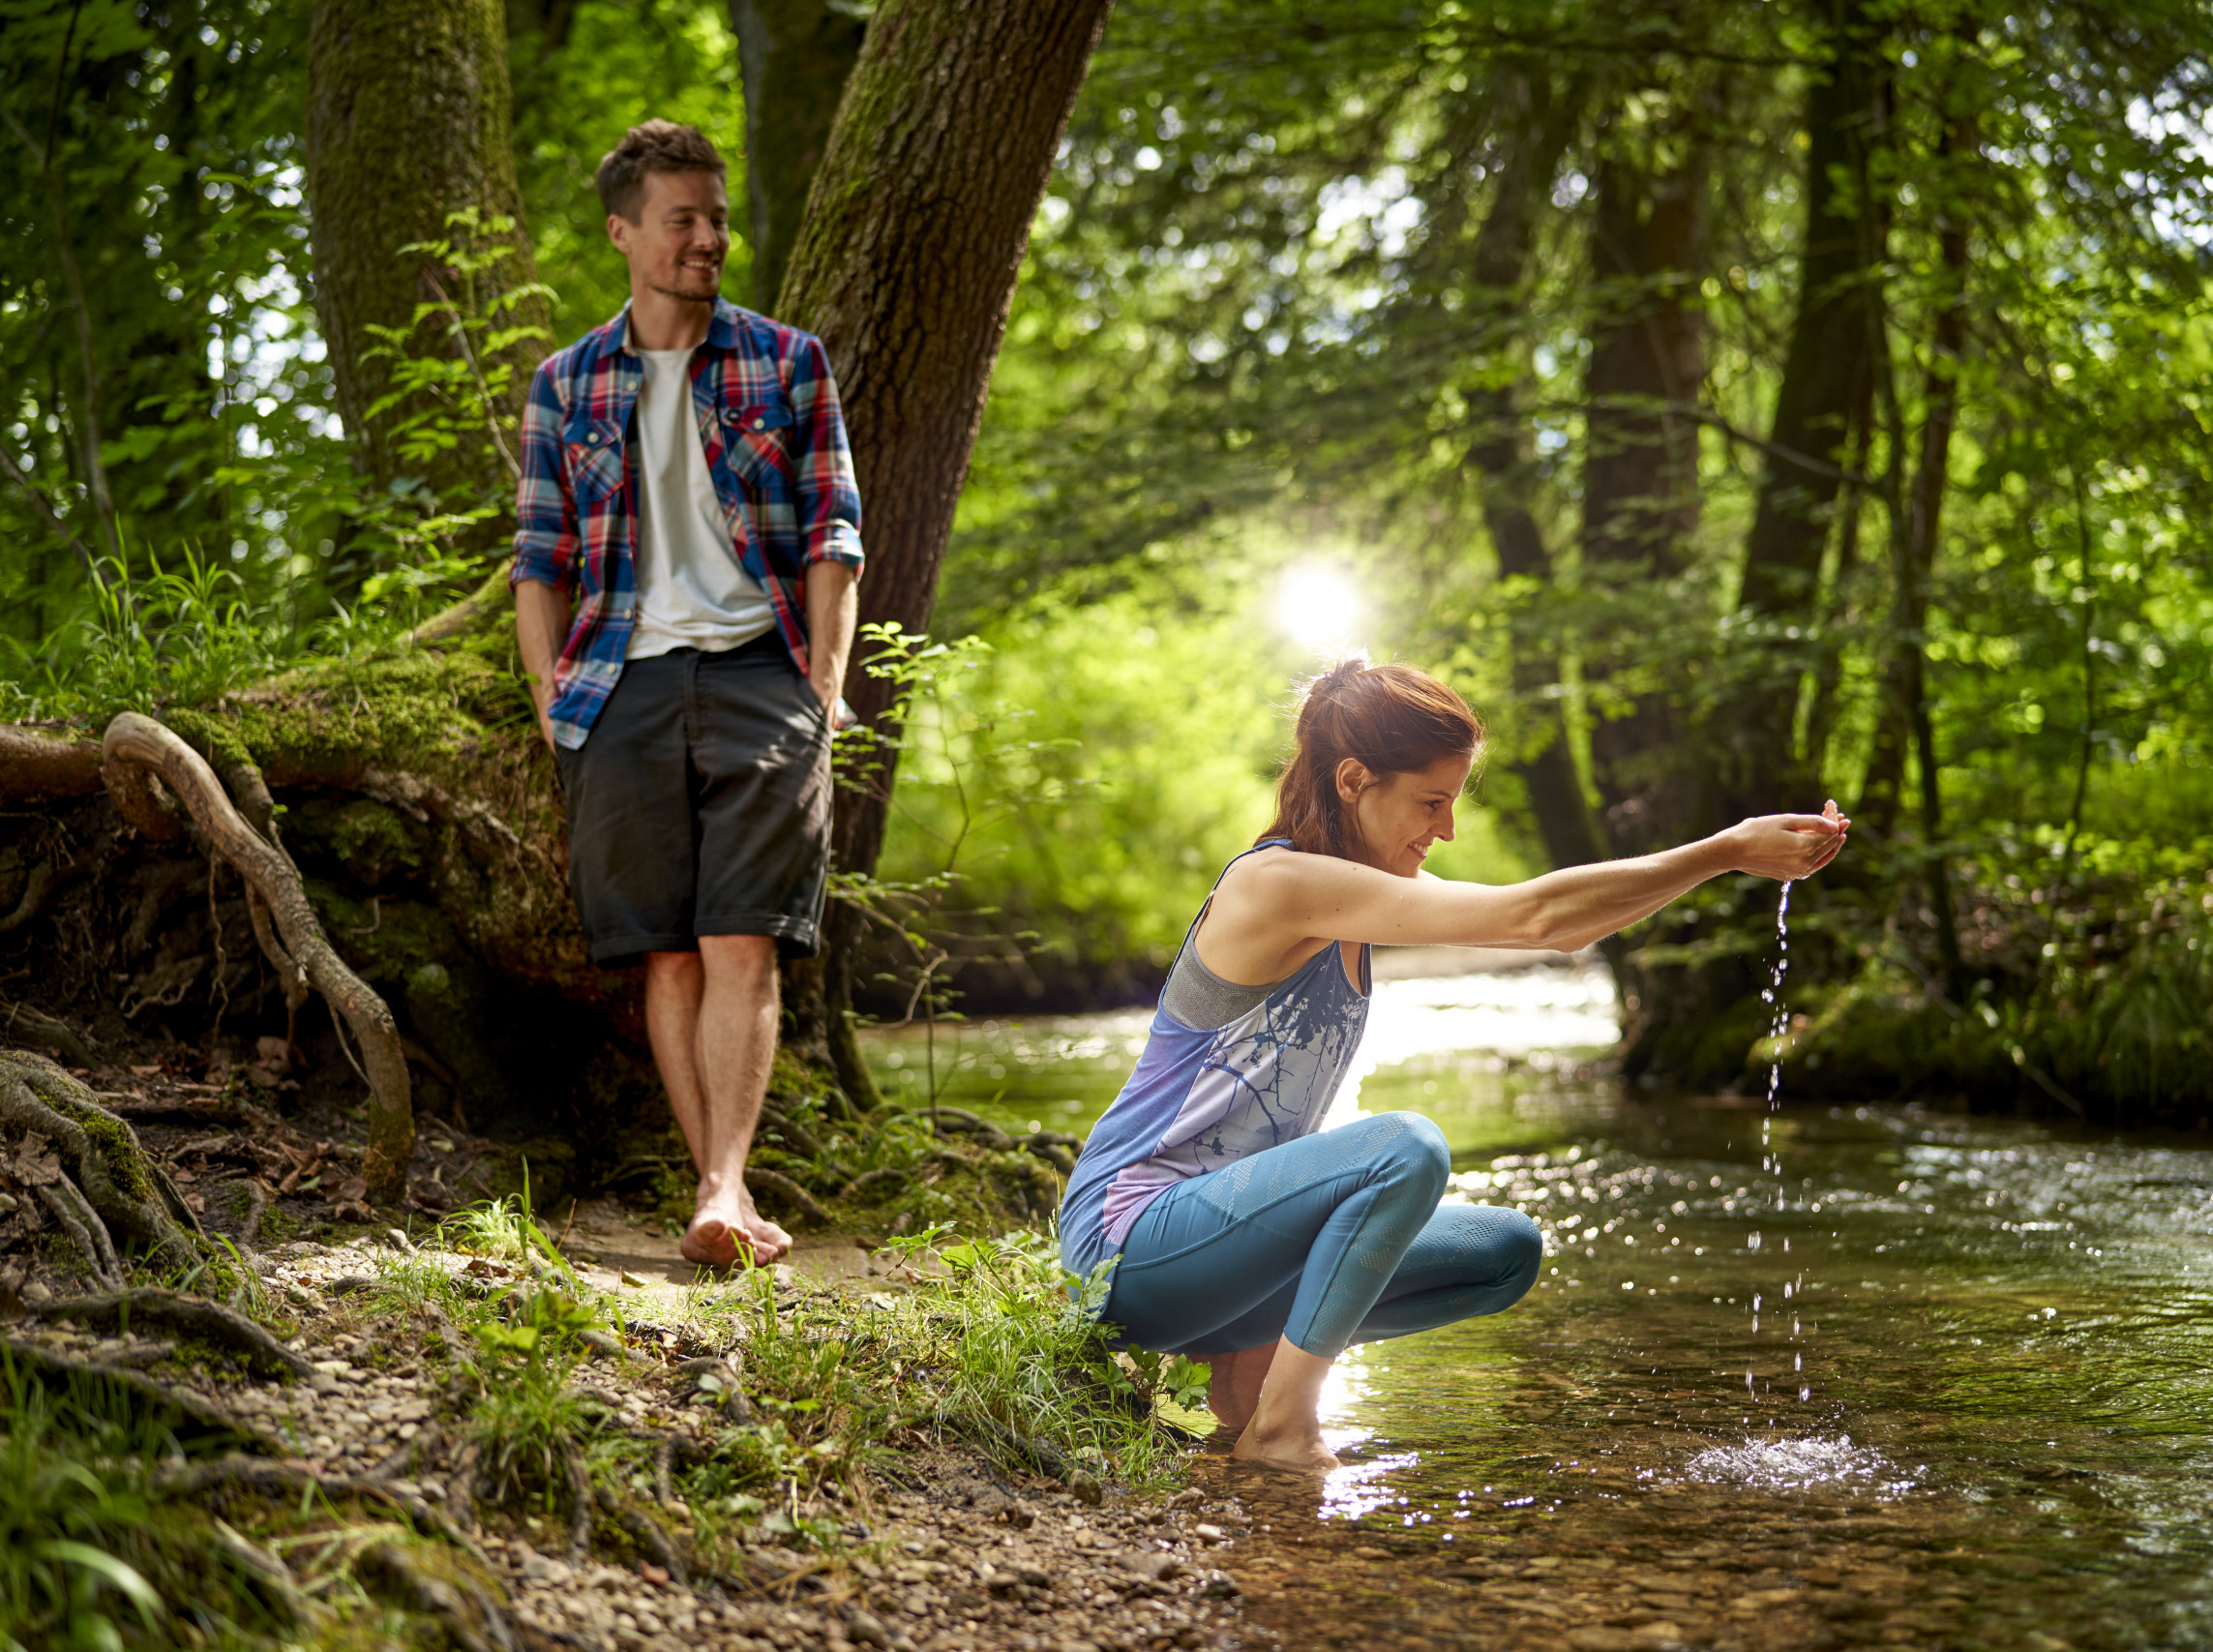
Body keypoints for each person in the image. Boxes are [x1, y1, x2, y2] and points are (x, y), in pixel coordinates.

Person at [1058, 657, 1849, 1473]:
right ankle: (1283, 1427)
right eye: (1431, 802)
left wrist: (1728, 859)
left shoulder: (1356, 898)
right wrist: (1722, 851)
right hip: (1127, 1241)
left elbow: (1562, 927)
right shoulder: (1278, 883)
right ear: (1355, 779)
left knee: (1502, 1249)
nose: (1446, 829)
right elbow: (1537, 915)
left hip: (1207, 1256)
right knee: (1404, 1149)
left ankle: (1242, 1382)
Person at [509, 120, 863, 1270]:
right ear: (624, 234)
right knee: (665, 948)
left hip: (763, 676)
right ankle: (720, 1193)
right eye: (684, 220)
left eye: (717, 217)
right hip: (619, 684)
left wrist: (824, 678)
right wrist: (548, 695)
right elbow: (539, 559)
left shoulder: (786, 361)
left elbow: (833, 531)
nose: (709, 237)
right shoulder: (567, 384)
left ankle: (719, 1183)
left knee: (742, 937)